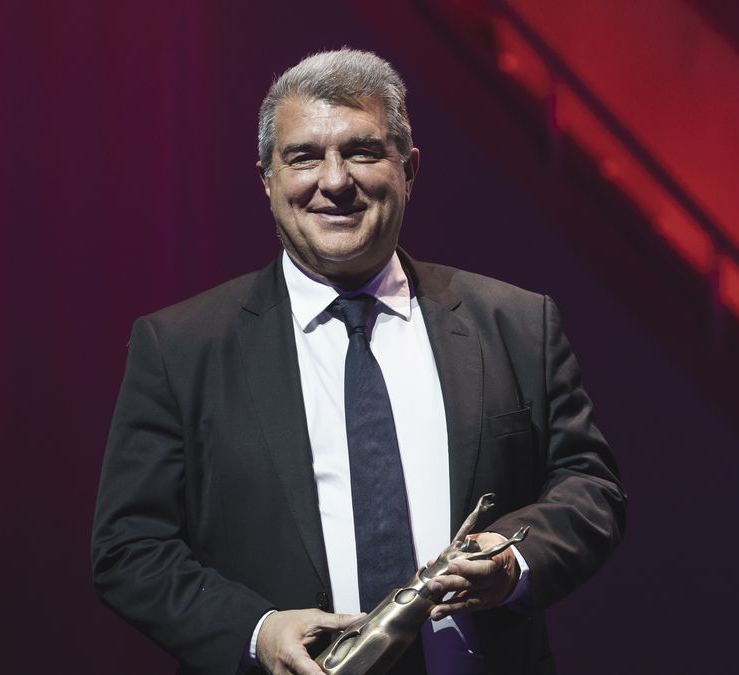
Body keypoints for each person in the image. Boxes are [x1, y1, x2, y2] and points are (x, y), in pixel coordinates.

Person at [91, 48, 625, 675]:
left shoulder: (514, 323)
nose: (336, 180)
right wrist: (257, 633)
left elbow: (590, 488)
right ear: (267, 180)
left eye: (363, 152)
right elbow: (130, 548)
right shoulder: (180, 348)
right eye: (304, 156)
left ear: (409, 171)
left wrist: (515, 561)